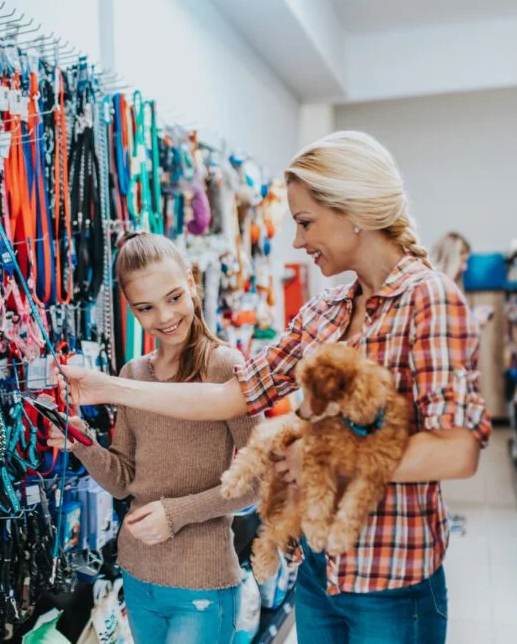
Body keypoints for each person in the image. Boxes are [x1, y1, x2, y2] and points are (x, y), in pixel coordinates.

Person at [61, 131, 491, 644]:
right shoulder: (325, 311)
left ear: (353, 208)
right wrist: (107, 388)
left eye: (306, 222)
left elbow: (457, 451)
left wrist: (326, 454)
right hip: (316, 570)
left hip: (390, 580)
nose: (297, 241)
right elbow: (228, 395)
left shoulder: (429, 300)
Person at [47, 232, 260, 644]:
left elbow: (256, 481)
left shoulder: (226, 367)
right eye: (146, 307)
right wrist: (79, 439)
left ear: (192, 283)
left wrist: (174, 515)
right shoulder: (132, 375)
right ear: (131, 310)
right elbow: (124, 479)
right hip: (138, 576)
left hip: (202, 583)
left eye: (174, 297)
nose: (164, 316)